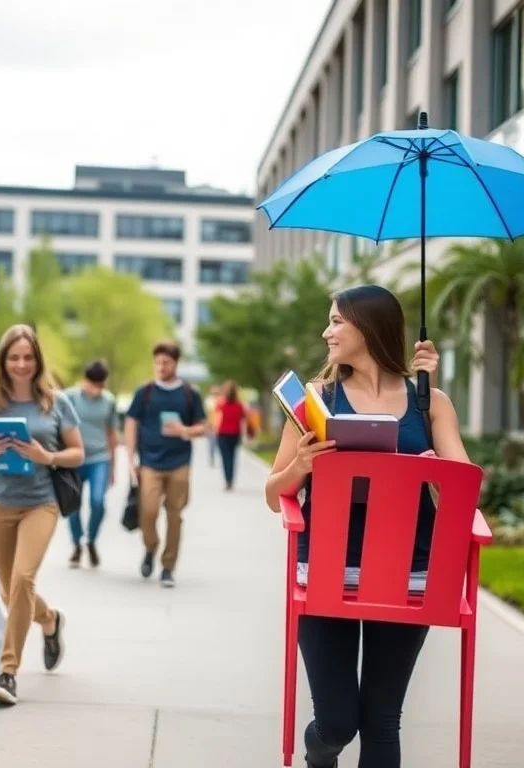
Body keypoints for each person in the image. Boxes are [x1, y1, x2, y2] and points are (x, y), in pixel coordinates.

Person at [263, 284, 467, 768]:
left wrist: (434, 467)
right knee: (336, 721)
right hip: (328, 572)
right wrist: (302, 466)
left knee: (381, 721)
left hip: (408, 577)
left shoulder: (429, 403)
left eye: (337, 321)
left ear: (368, 327)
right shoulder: (317, 402)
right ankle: (319, 758)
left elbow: (464, 489)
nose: (326, 331)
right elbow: (275, 497)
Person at [0, 324, 84, 707]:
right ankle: (49, 619)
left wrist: (45, 456)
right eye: (13, 357)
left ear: (37, 360)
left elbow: (78, 453)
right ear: (3, 361)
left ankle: (8, 672)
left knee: (22, 579)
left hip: (41, 502)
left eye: (28, 357)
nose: (21, 364)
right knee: (10, 589)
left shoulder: (55, 401)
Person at [123, 340, 207, 588]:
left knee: (174, 515)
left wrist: (184, 430)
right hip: (149, 462)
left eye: (166, 362)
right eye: (157, 362)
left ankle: (168, 566)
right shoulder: (145, 392)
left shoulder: (189, 394)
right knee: (147, 511)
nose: (161, 366)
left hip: (180, 462)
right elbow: (130, 422)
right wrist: (130, 458)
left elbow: (204, 428)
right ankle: (150, 546)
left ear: (176, 364)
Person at [63, 359, 119, 567]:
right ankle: (77, 544)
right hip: (74, 458)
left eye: (100, 385)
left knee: (98, 501)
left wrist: (113, 466)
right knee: (73, 505)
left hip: (99, 459)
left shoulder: (109, 401)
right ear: (85, 380)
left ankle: (91, 541)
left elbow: (112, 433)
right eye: (93, 384)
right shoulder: (69, 397)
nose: (96, 390)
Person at [214, 380, 247, 490]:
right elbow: (243, 420)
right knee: (232, 458)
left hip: (222, 435)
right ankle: (231, 480)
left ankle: (227, 481)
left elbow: (217, 420)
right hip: (235, 435)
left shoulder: (221, 405)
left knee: (225, 458)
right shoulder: (240, 406)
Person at [203, 383, 222, 467]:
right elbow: (206, 414)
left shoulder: (222, 400)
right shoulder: (209, 400)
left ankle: (221, 459)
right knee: (211, 443)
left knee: (220, 444)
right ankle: (212, 459)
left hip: (221, 425)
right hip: (211, 425)